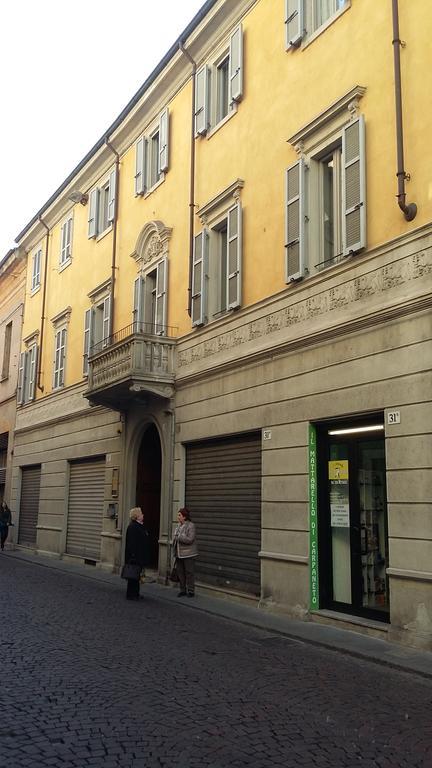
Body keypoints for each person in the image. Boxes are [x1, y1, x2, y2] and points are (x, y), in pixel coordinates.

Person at [124, 507, 149, 601]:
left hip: (139, 556)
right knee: (132, 576)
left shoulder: (139, 526)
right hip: (134, 557)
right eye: (141, 513)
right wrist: (133, 556)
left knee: (136, 576)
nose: (143, 515)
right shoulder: (133, 527)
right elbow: (132, 543)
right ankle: (131, 594)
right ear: (137, 516)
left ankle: (136, 594)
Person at [173, 507, 198, 597]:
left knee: (189, 573)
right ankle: (182, 590)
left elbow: (190, 539)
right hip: (179, 554)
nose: (178, 517)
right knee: (180, 573)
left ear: (184, 516)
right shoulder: (179, 525)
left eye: (179, 515)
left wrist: (178, 537)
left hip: (188, 554)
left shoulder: (191, 526)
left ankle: (191, 591)